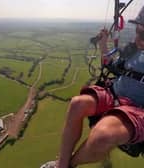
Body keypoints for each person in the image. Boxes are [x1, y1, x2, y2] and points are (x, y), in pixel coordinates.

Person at [41, 6, 144, 168]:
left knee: (102, 135)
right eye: (138, 31)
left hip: (137, 109)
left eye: (143, 34)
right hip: (115, 94)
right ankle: (62, 164)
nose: (138, 38)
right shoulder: (133, 49)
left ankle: (65, 165)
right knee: (77, 104)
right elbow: (110, 64)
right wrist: (103, 44)